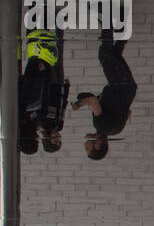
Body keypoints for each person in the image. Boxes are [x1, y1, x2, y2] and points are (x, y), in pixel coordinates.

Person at [71, 29, 136, 160]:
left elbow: (128, 112)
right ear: (98, 145)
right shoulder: (100, 125)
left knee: (114, 54)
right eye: (88, 148)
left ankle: (122, 21)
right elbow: (93, 100)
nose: (85, 145)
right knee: (104, 54)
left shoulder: (116, 131)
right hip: (119, 84)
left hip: (126, 86)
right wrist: (78, 104)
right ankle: (108, 17)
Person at [18, 28, 69, 154]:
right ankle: (57, 25)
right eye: (59, 140)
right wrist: (65, 90)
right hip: (56, 86)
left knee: (42, 53)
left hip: (48, 83)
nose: (58, 137)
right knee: (57, 55)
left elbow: (40, 95)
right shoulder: (56, 125)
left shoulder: (39, 119)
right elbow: (62, 107)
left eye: (55, 141)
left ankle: (37, 23)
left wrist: (42, 76)